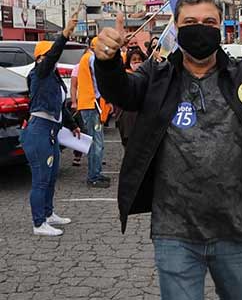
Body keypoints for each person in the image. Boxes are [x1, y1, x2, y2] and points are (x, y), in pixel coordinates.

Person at [93, 0, 242, 300]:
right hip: (174, 231)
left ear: (221, 27)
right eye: (189, 23)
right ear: (175, 27)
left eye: (209, 22)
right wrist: (107, 63)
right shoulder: (157, 75)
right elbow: (122, 92)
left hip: (237, 228)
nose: (199, 29)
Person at [20, 17, 81, 236]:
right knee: (41, 179)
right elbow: (53, 54)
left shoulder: (52, 77)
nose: (54, 59)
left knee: (51, 175)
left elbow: (61, 107)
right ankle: (39, 223)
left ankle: (48, 213)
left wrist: (73, 125)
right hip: (39, 131)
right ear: (40, 58)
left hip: (52, 131)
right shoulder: (40, 72)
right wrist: (64, 34)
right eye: (49, 56)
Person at [76, 37, 111, 188]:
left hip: (90, 103)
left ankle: (96, 173)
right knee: (96, 143)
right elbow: (99, 80)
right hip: (90, 104)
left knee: (96, 142)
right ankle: (93, 176)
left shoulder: (86, 58)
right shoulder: (91, 59)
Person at [115, 48, 147, 147]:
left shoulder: (148, 76)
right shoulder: (124, 76)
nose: (137, 61)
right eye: (134, 59)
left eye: (139, 59)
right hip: (127, 119)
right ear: (129, 62)